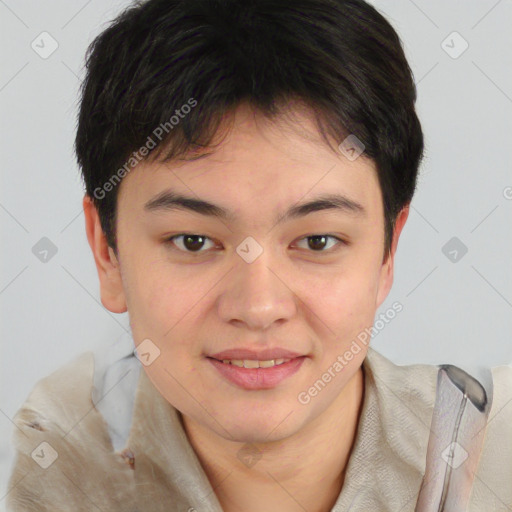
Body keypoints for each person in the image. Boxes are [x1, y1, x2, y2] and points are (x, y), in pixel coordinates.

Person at [6, 0, 512, 510]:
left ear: (387, 253)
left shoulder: (494, 456)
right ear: (107, 253)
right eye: (193, 241)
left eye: (317, 242)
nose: (258, 306)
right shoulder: (58, 454)